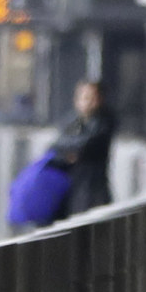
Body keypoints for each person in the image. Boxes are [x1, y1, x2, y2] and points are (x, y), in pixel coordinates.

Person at [47, 78, 116, 214]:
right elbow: (56, 146)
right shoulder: (72, 121)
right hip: (70, 190)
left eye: (92, 97)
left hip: (93, 191)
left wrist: (73, 151)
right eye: (84, 97)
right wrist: (68, 153)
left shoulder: (104, 121)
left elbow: (86, 144)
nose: (87, 102)